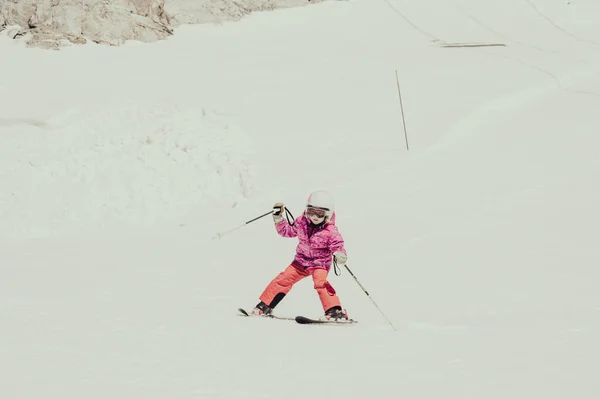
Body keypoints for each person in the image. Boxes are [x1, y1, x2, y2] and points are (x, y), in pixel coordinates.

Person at [251, 190, 349, 321]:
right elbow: (287, 231)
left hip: (319, 264)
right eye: (311, 212)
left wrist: (339, 254)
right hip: (300, 262)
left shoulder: (330, 231)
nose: (314, 217)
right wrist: (278, 218)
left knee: (321, 283)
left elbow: (338, 244)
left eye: (319, 214)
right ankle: (265, 306)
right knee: (283, 280)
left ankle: (335, 311)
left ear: (328, 214)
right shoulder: (301, 222)